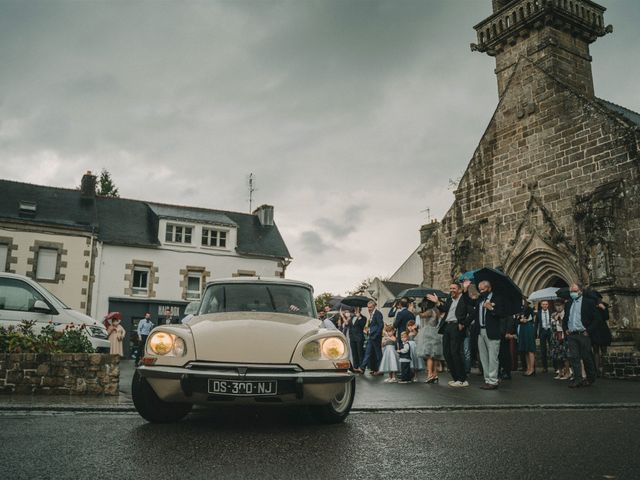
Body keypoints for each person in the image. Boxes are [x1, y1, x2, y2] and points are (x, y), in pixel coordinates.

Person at [428, 282, 472, 388]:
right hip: (447, 326)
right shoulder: (449, 298)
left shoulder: (464, 298)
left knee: (455, 352)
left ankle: (462, 379)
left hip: (457, 326)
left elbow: (472, 313)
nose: (452, 290)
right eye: (450, 288)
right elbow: (445, 309)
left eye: (454, 288)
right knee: (447, 353)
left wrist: (463, 324)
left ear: (460, 290)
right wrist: (437, 302)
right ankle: (456, 378)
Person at [563, 283, 598, 388]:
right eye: (571, 291)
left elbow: (597, 319)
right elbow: (566, 318)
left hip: (583, 334)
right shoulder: (568, 303)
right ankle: (577, 379)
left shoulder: (589, 302)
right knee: (574, 358)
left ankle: (591, 378)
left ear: (580, 291)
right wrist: (565, 329)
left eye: (574, 291)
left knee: (587, 357)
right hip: (572, 335)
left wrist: (589, 331)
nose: (572, 293)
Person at [472, 280, 505, 390]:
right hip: (480, 331)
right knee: (483, 357)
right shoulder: (480, 299)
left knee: (493, 357)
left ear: (489, 288)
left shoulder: (497, 298)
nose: (481, 291)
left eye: (483, 289)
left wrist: (491, 308)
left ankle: (493, 380)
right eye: (480, 289)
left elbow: (502, 313)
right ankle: (487, 380)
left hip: (492, 331)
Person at [415, 306, 443, 384]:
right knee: (435, 356)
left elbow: (422, 315)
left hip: (429, 334)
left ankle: (430, 375)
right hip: (437, 332)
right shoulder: (437, 311)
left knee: (429, 356)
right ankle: (435, 375)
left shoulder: (430, 311)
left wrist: (413, 310)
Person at [356, 300, 383, 375]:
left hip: (376, 337)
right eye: (368, 307)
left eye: (370, 307)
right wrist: (368, 330)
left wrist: (376, 335)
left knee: (378, 354)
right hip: (371, 336)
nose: (369, 309)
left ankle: (381, 370)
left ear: (374, 306)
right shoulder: (372, 314)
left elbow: (381, 326)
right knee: (367, 353)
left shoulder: (378, 314)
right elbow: (373, 326)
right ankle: (362, 368)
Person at [551, 300, 571, 380]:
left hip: (563, 336)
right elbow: (552, 327)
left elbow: (566, 325)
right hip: (556, 337)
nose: (558, 307)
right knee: (557, 356)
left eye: (560, 305)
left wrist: (559, 320)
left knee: (565, 356)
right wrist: (554, 319)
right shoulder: (553, 314)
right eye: (556, 305)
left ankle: (567, 373)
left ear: (563, 306)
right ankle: (560, 372)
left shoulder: (566, 314)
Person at [518, 301, 536, 376]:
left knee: (530, 349)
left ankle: (532, 368)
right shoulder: (520, 309)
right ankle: (528, 368)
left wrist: (524, 320)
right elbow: (518, 318)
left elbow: (531, 319)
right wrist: (520, 319)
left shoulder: (529, 309)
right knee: (525, 349)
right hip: (522, 328)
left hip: (528, 327)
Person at [347, 307, 366, 371]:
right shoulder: (352, 317)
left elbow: (362, 325)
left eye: (357, 310)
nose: (355, 311)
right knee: (354, 353)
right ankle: (355, 367)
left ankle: (361, 368)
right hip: (352, 338)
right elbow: (348, 326)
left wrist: (359, 318)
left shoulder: (363, 318)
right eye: (355, 310)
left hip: (359, 338)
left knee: (360, 353)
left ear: (360, 310)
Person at [536, 300, 553, 373]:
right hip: (542, 331)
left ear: (548, 305)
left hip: (550, 331)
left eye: (546, 304)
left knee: (552, 348)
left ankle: (556, 367)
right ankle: (544, 367)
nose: (545, 305)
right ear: (541, 305)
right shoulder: (538, 313)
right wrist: (535, 334)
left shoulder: (552, 312)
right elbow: (536, 324)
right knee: (543, 350)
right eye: (543, 304)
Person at [499, 314, 517, 380]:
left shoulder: (507, 308)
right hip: (498, 333)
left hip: (504, 334)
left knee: (505, 354)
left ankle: (506, 372)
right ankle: (501, 371)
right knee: (500, 354)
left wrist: (508, 332)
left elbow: (510, 320)